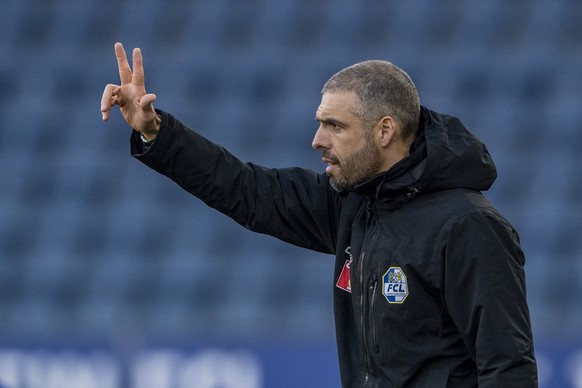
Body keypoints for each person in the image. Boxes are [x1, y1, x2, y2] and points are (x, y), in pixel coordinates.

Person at [101, 42, 538, 387]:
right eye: (319, 122)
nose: (316, 139)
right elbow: (247, 191)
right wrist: (156, 131)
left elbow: (508, 368)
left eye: (335, 125)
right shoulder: (354, 204)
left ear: (384, 130)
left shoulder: (468, 226)